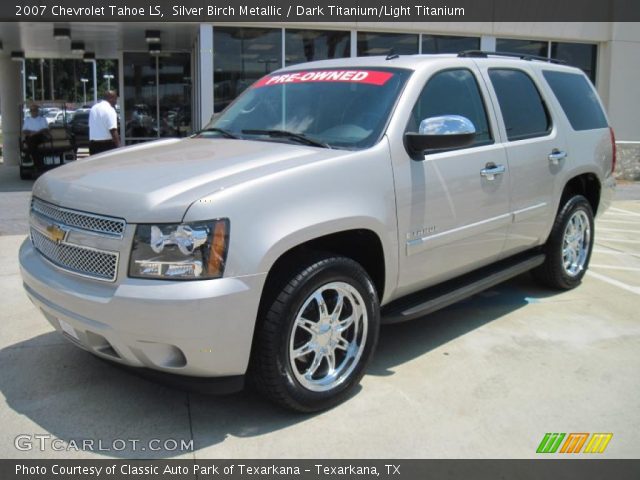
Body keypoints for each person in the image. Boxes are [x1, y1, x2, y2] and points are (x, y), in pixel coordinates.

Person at [88, 90, 121, 155]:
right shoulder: (110, 109)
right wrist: (119, 148)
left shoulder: (94, 108)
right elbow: (113, 130)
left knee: (96, 165)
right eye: (115, 99)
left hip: (93, 145)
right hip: (107, 146)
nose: (116, 102)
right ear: (111, 98)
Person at [22, 104, 50, 170]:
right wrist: (31, 133)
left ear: (37, 111)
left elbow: (45, 129)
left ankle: (28, 156)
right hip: (30, 136)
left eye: (35, 110)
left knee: (31, 140)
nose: (33, 112)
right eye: (32, 110)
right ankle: (39, 164)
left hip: (40, 136)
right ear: (30, 111)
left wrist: (35, 133)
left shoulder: (42, 119)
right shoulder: (27, 120)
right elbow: (24, 130)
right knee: (31, 141)